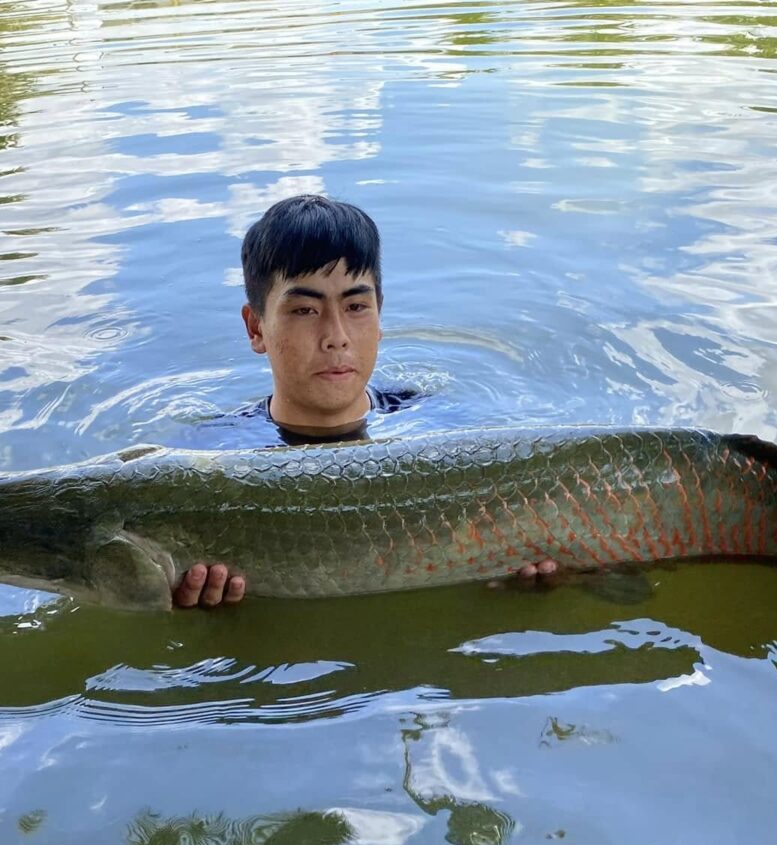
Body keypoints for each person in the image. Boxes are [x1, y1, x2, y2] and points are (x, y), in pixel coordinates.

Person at [173, 193, 555, 609]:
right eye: (304, 310)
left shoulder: (442, 425)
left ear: (380, 316)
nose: (336, 335)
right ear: (256, 328)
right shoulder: (212, 459)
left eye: (356, 306)